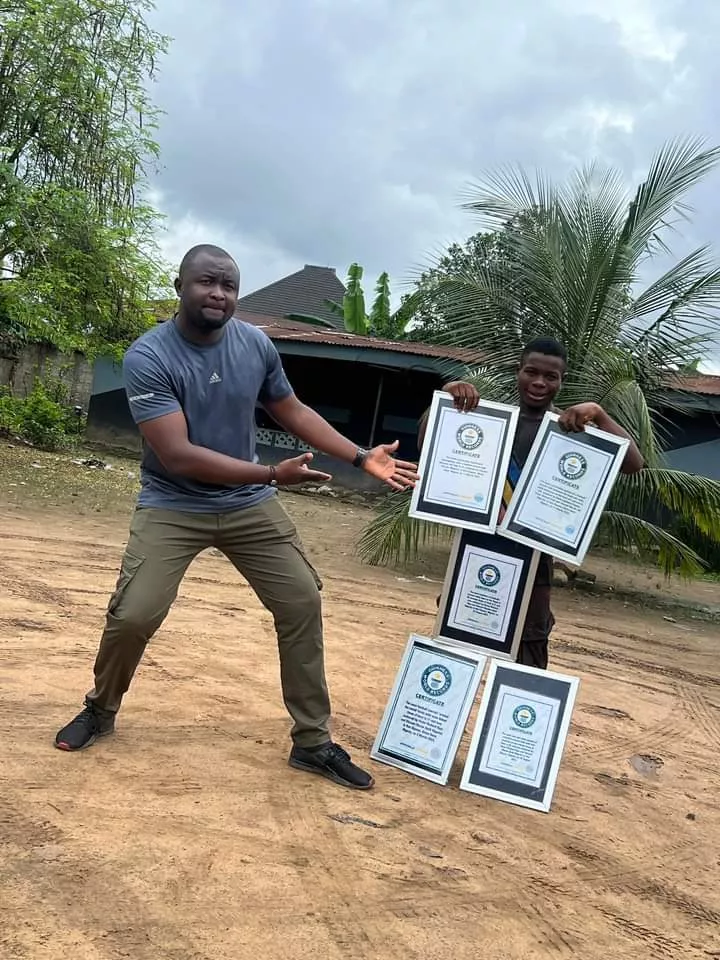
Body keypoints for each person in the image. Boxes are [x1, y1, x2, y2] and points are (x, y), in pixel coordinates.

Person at [54, 244, 419, 792]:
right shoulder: (149, 356)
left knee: (301, 600)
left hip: (246, 505)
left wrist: (361, 455)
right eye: (206, 282)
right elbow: (177, 454)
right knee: (133, 615)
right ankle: (101, 710)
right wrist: (272, 476)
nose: (218, 294)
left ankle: (313, 743)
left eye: (228, 285)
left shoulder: (255, 344)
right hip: (174, 503)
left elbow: (290, 409)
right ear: (180, 285)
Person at [419, 337, 644, 669]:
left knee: (527, 662)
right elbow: (428, 442)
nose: (539, 383)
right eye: (531, 372)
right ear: (518, 372)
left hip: (535, 563)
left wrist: (598, 412)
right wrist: (448, 393)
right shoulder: (487, 421)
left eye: (551, 377)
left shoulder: (571, 431)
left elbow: (633, 463)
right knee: (458, 654)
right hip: (476, 552)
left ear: (561, 381)